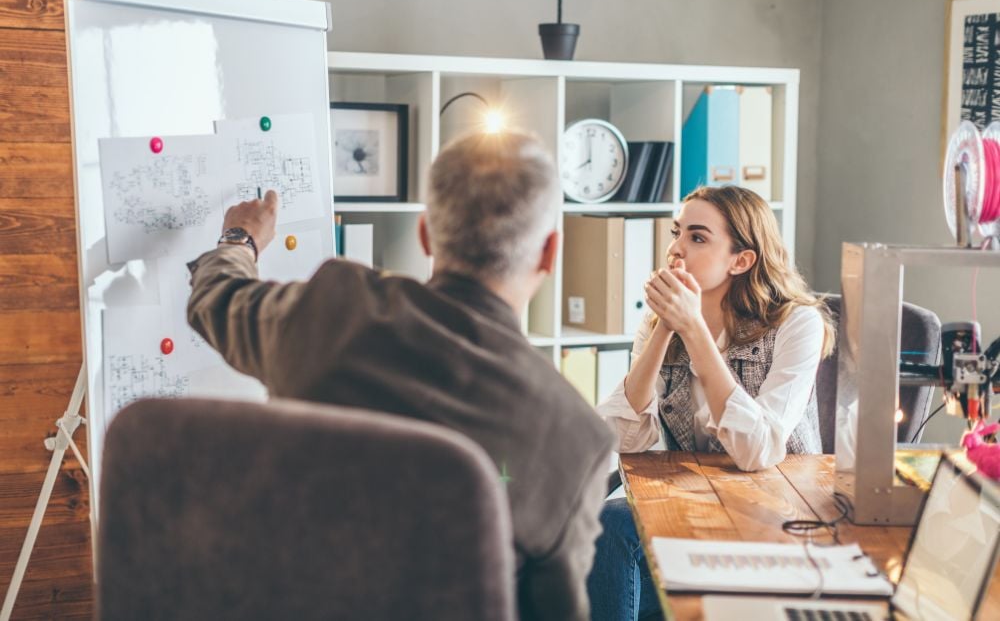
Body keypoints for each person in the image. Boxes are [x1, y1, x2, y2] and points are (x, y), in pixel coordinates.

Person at [186, 131, 614, 621]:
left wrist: (240, 239)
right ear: (549, 253)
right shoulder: (578, 438)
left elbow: (214, 300)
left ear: (426, 233)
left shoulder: (330, 311)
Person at [587, 185, 835, 621]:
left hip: (777, 511)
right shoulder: (658, 324)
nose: (676, 250)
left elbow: (757, 449)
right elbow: (623, 437)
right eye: (676, 232)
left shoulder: (797, 324)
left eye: (697, 238)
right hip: (689, 504)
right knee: (600, 524)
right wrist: (665, 330)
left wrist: (694, 329)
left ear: (741, 260)